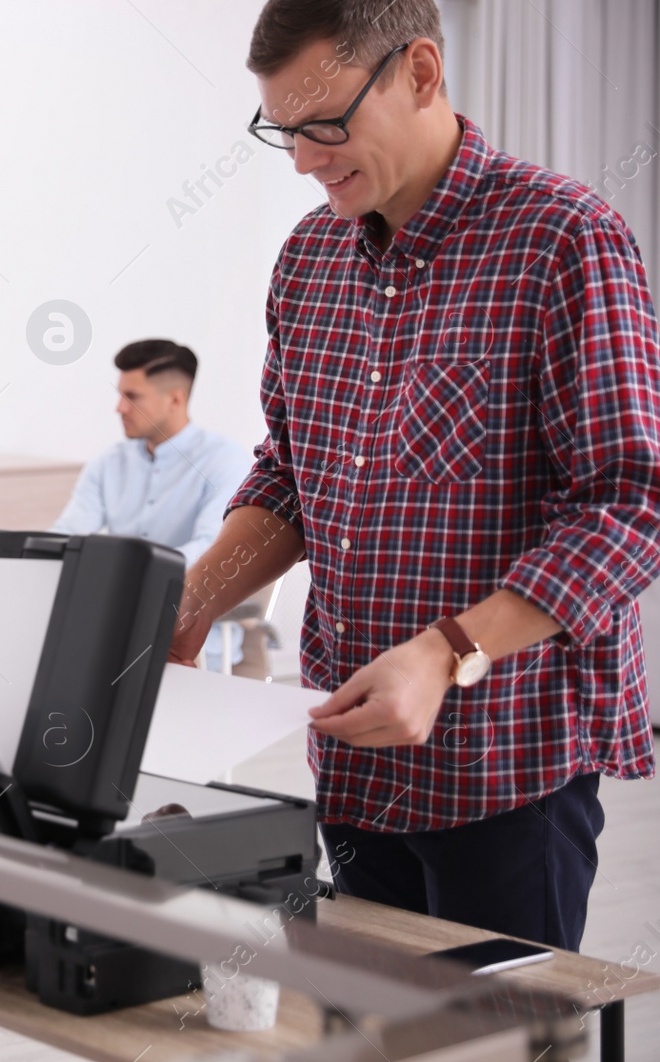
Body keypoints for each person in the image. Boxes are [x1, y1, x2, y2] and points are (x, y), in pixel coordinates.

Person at [170, 0, 660, 952]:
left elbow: (628, 505)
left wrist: (446, 652)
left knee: (504, 1047)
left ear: (421, 73)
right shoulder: (310, 260)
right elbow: (289, 474)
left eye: (324, 125)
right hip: (353, 765)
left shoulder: (564, 240)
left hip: (508, 772)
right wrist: (194, 596)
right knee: (368, 1039)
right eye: (283, 131)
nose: (304, 161)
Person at [52, 339, 253, 669]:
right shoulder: (108, 463)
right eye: (120, 395)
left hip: (192, 649)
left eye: (132, 397)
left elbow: (211, 549)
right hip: (115, 636)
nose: (119, 408)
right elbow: (69, 533)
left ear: (176, 398)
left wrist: (125, 574)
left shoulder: (224, 462)